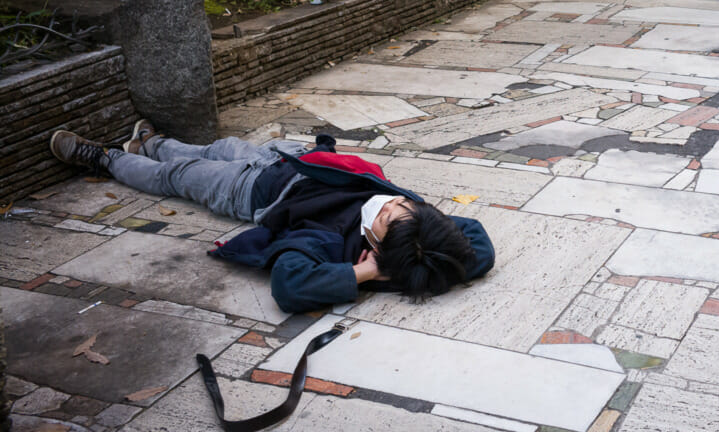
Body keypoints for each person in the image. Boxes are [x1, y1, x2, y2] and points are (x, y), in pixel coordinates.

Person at [49, 122, 495, 313]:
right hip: (300, 163)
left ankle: (103, 158)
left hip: (251, 191)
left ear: (375, 247)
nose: (392, 204)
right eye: (403, 205)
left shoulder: (332, 242)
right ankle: (148, 143)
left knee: (175, 176)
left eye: (388, 217)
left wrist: (365, 273)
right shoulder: (424, 239)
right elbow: (475, 245)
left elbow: (290, 285)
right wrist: (426, 243)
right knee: (218, 146)